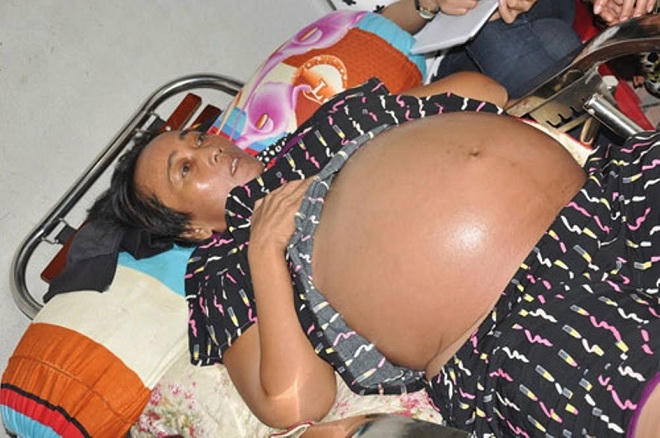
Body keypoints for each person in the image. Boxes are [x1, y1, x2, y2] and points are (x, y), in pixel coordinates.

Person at [89, 71, 659, 436]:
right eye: (185, 169)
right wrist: (265, 250)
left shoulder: (321, 127)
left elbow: (486, 91)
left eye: (197, 138)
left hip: (608, 196)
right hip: (520, 319)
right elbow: (293, 402)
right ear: (190, 228)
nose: (209, 150)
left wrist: (372, 119)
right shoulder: (224, 265)